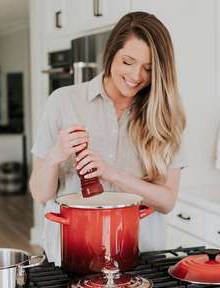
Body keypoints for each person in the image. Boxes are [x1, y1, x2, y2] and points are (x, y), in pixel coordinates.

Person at [29, 11, 186, 265]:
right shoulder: (63, 101)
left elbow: (167, 201)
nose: (136, 76)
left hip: (141, 257)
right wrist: (55, 156)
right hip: (72, 254)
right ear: (111, 53)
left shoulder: (166, 116)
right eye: (128, 61)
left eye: (148, 68)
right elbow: (39, 192)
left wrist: (111, 173)